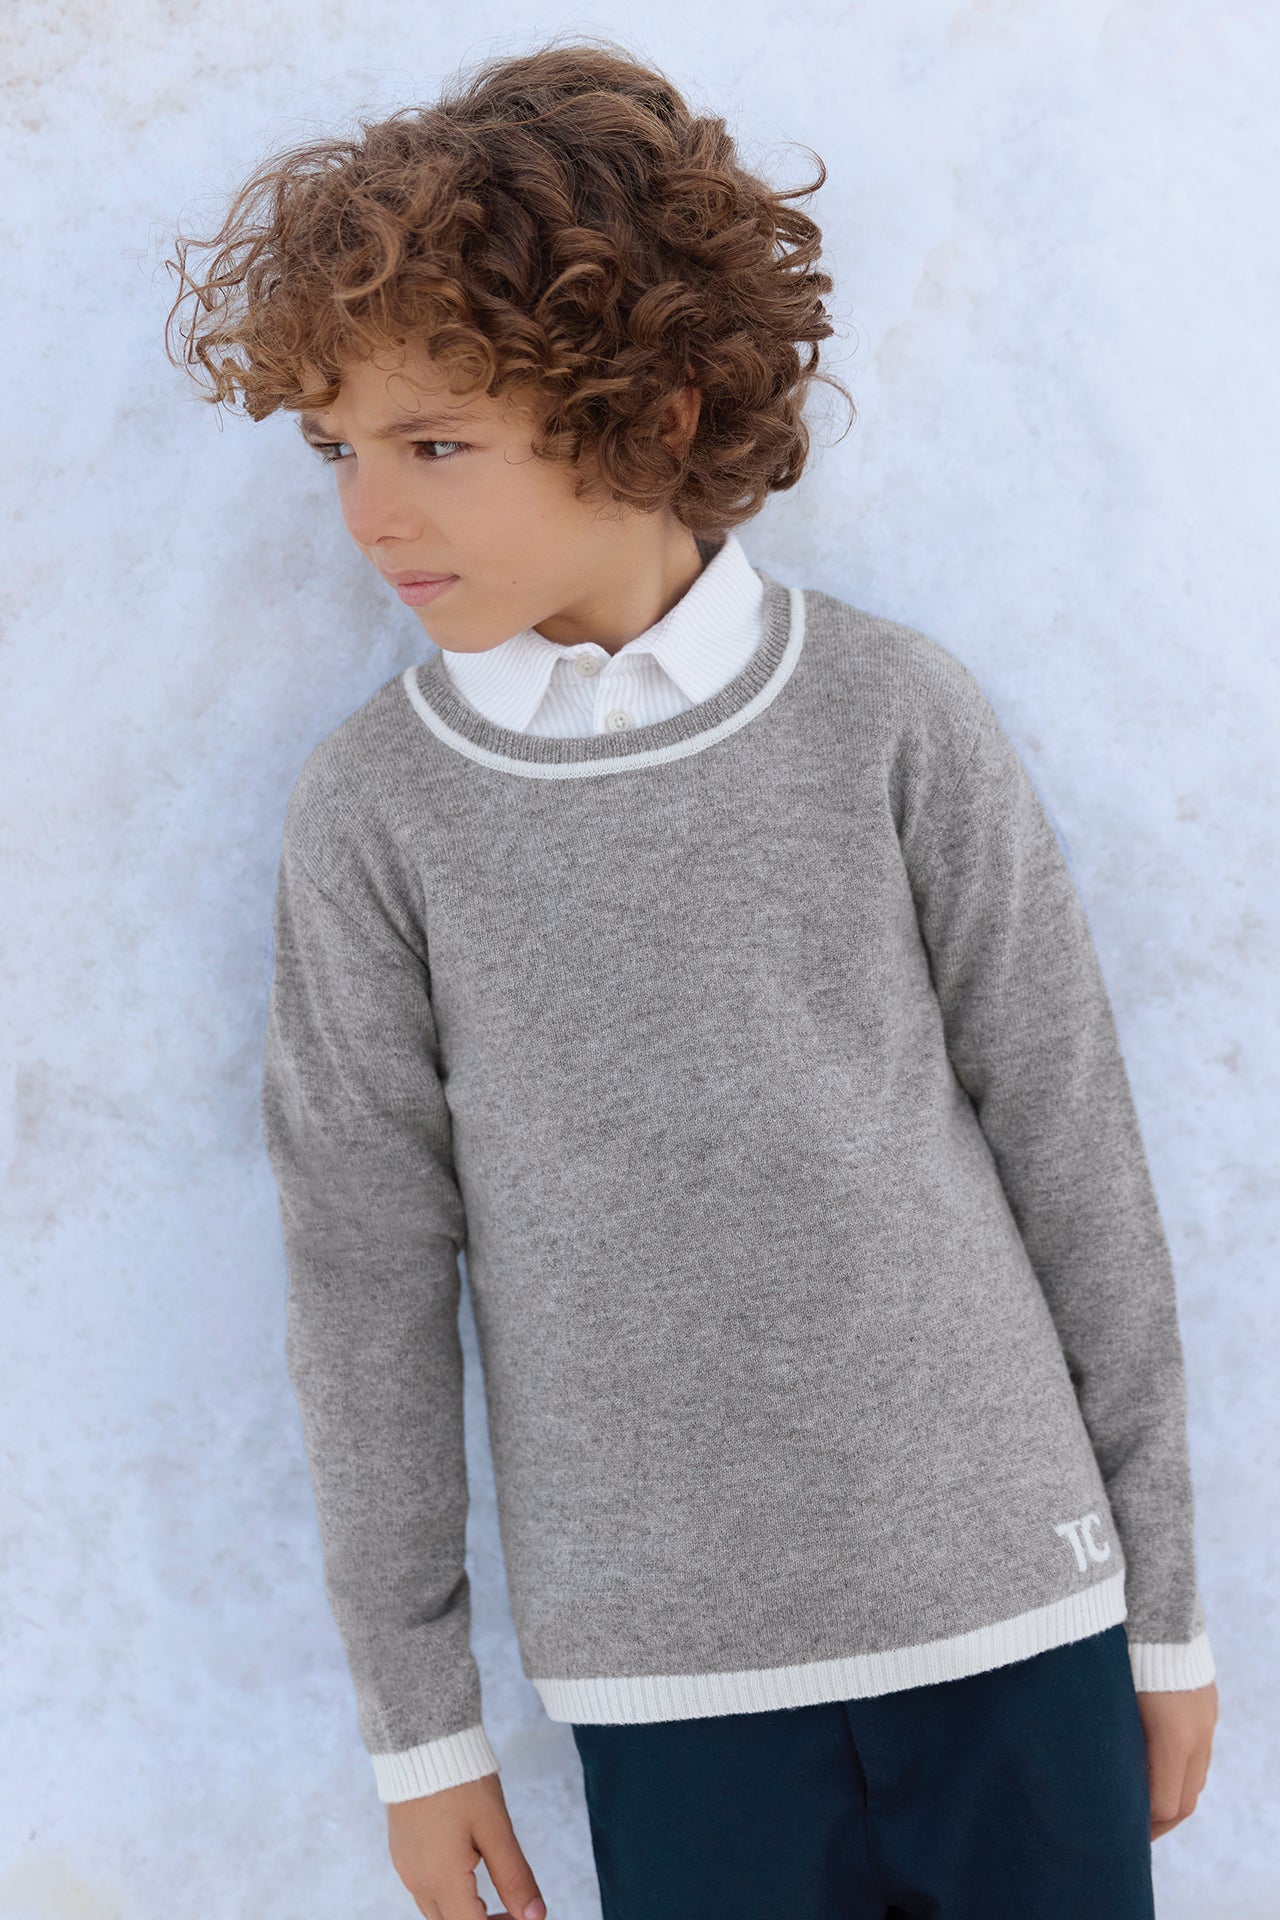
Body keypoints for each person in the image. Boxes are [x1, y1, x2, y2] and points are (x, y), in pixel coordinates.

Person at [165, 35, 1218, 1920]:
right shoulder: (379, 814)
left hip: (1022, 1624)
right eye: (337, 449)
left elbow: (1074, 1156)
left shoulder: (893, 717)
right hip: (672, 1696)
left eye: (433, 444)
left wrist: (1165, 1613)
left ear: (653, 415)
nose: (369, 514)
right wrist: (422, 1735)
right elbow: (365, 1280)